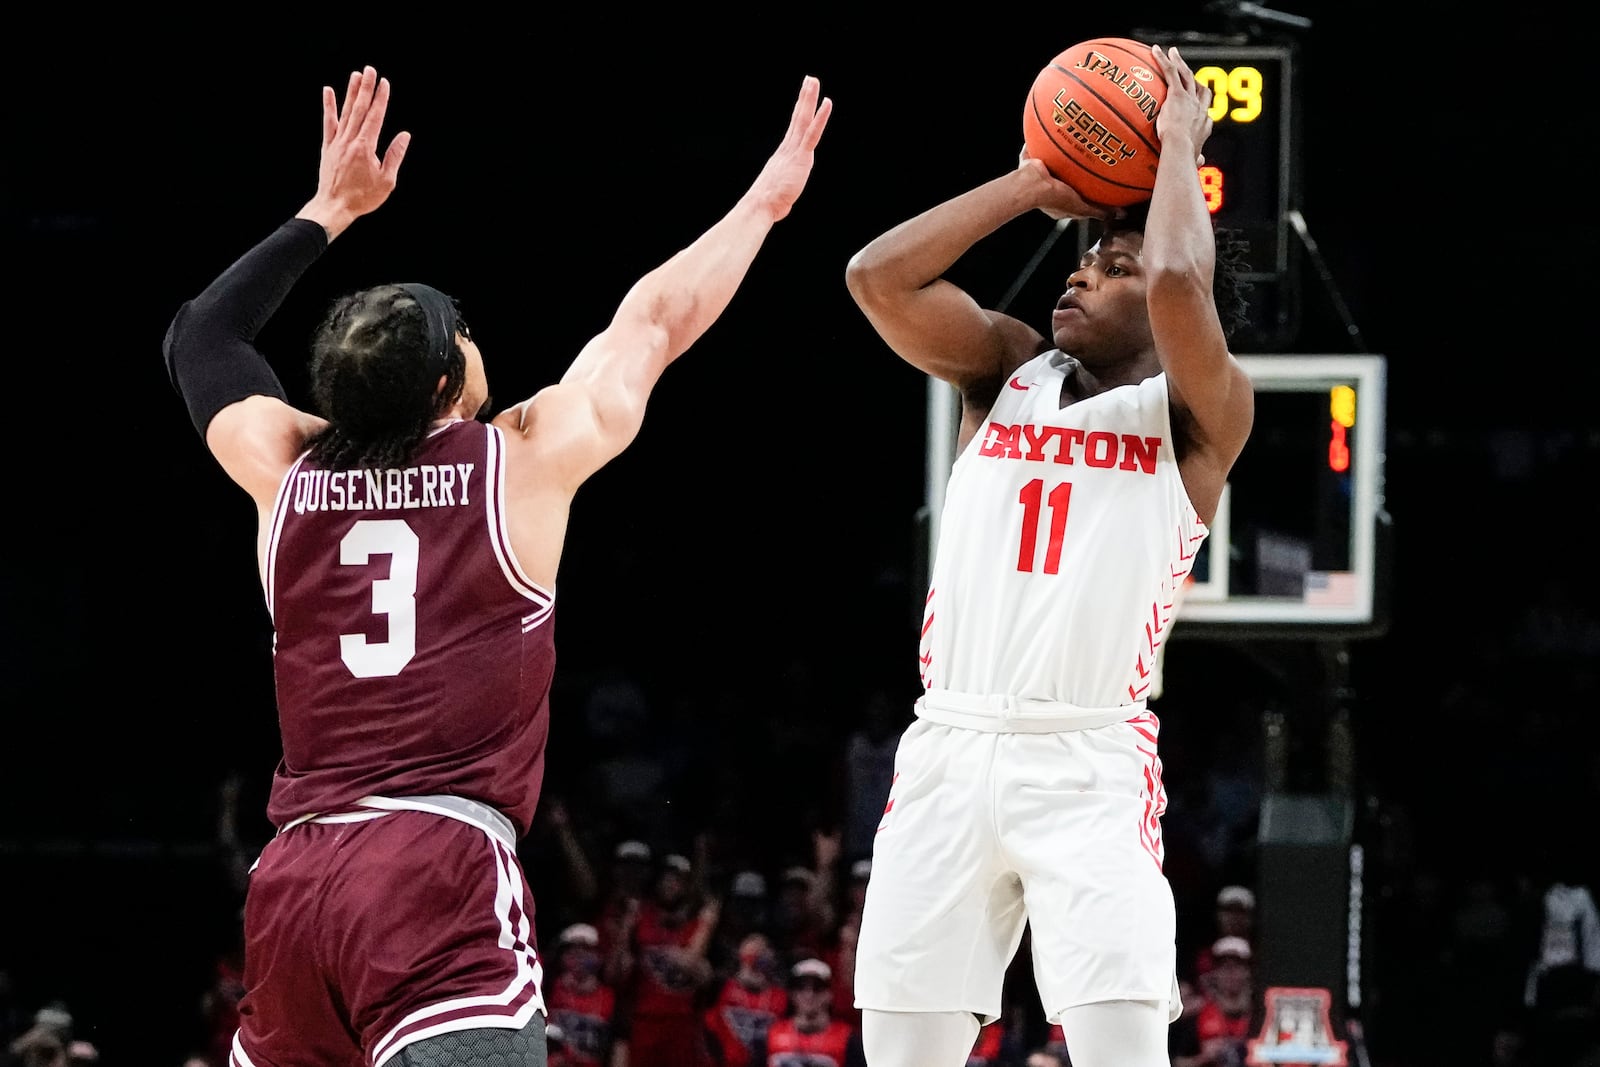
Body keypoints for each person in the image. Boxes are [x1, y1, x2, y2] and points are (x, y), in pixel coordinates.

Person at [161, 64, 830, 1065]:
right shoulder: (519, 459)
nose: (479, 340)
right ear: (447, 380)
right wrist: (766, 202)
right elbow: (649, 321)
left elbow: (200, 333)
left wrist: (328, 207)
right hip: (432, 863)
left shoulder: (281, 468)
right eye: (466, 333)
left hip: (294, 882)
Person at [842, 45, 1254, 1067]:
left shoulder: (1197, 417)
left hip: (1087, 760)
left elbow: (1170, 273)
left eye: (1107, 267)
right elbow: (875, 275)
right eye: (1083, 258)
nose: (1083, 271)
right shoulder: (1007, 368)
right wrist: (1031, 181)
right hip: (947, 744)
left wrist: (1171, 151)